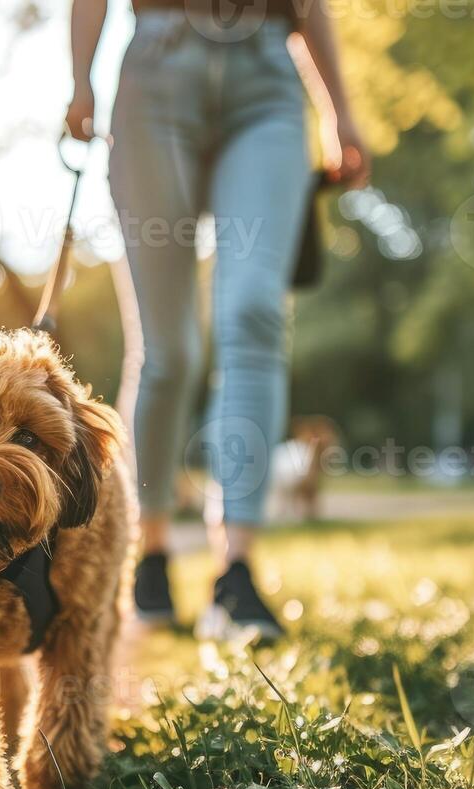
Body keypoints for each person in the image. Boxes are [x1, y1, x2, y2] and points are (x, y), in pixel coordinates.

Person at [66, 0, 368, 640]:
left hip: (267, 76)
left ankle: (235, 571)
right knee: (168, 351)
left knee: (255, 316)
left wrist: (341, 112)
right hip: (155, 71)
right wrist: (79, 76)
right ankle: (148, 550)